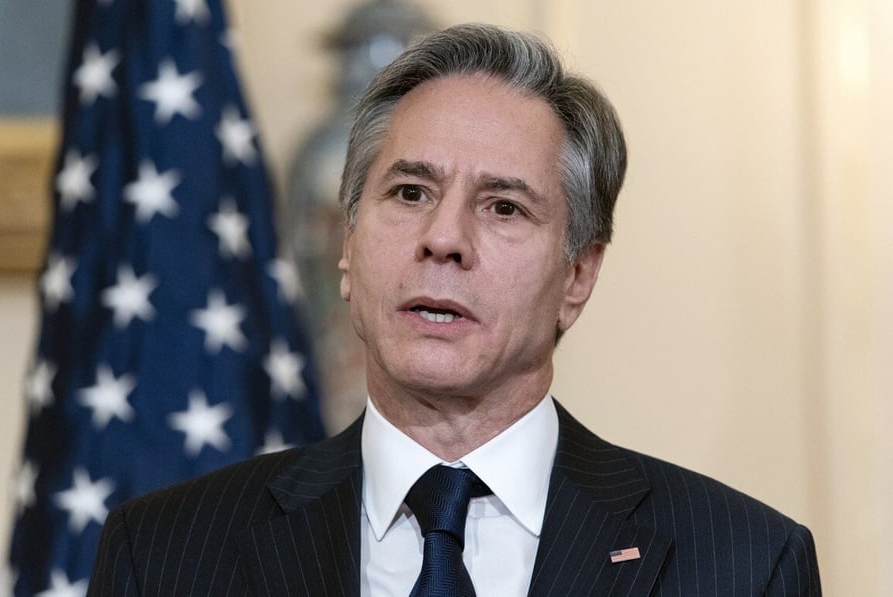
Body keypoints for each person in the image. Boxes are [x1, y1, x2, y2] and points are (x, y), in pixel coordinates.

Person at [87, 23, 821, 596]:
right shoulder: (165, 555)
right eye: (410, 193)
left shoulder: (743, 563)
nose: (443, 239)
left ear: (578, 273)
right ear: (346, 244)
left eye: (504, 206)